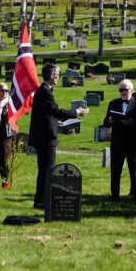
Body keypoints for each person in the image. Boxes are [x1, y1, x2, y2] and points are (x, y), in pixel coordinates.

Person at [29, 64, 88, 209]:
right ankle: (41, 201)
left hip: (44, 135)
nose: (59, 77)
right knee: (47, 170)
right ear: (52, 75)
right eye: (57, 74)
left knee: (45, 169)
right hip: (46, 138)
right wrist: (76, 113)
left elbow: (47, 114)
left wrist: (55, 122)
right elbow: (55, 110)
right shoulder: (45, 91)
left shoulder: (44, 90)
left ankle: (40, 200)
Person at [103, 79, 136, 201]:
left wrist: (132, 122)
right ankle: (115, 196)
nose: (123, 92)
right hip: (118, 142)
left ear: (132, 90)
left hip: (133, 142)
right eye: (121, 90)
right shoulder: (113, 103)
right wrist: (109, 122)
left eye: (126, 89)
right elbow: (105, 122)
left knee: (135, 171)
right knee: (115, 171)